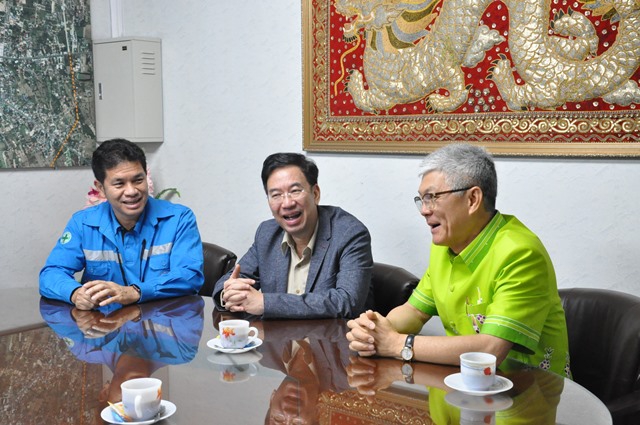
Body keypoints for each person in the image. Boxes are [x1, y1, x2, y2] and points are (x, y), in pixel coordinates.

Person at [346, 143, 570, 377]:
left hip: (525, 390)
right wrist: (373, 330)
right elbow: (414, 311)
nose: (424, 210)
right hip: (462, 384)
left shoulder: (520, 253)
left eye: (432, 197)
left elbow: (490, 349)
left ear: (472, 199)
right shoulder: (445, 246)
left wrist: (397, 344)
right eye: (421, 200)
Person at [39, 138, 204, 310]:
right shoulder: (83, 223)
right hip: (105, 323)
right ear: (101, 188)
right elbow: (51, 273)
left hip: (162, 321)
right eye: (119, 183)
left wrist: (135, 292)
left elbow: (190, 275)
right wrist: (74, 293)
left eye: (138, 180)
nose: (132, 191)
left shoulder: (179, 219)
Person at [213, 152, 373, 319]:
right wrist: (228, 294)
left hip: (333, 335)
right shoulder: (267, 233)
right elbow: (231, 280)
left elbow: (347, 302)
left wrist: (265, 303)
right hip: (277, 336)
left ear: (315, 193)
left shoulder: (349, 233)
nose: (287, 203)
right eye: (276, 195)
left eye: (295, 191)